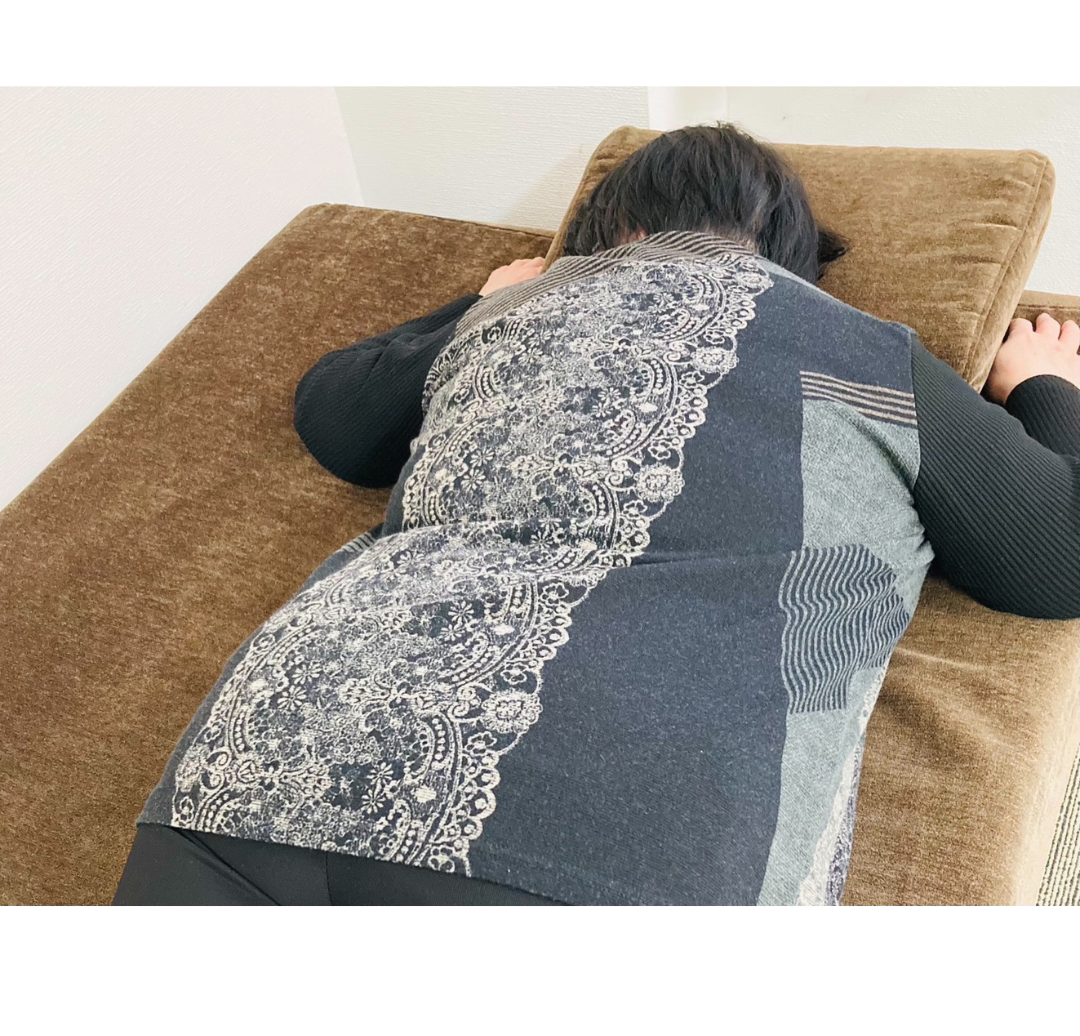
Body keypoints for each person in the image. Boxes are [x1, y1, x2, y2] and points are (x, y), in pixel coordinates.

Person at [113, 123, 1080, 906]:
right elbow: (1058, 558)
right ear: (795, 259)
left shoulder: (513, 313)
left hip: (259, 775)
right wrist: (1043, 385)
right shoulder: (867, 353)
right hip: (621, 849)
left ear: (606, 226)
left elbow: (334, 416)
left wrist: (480, 299)